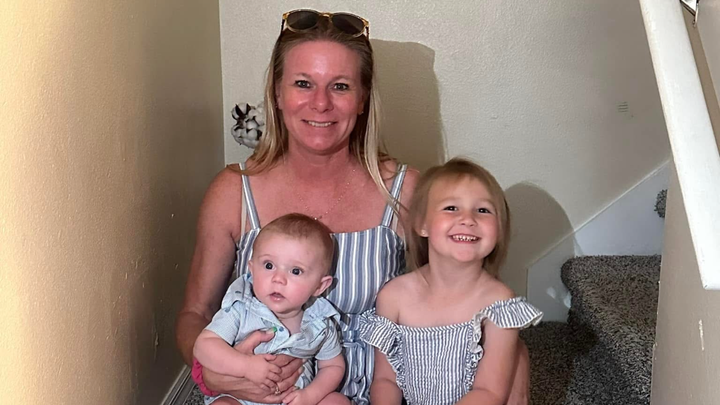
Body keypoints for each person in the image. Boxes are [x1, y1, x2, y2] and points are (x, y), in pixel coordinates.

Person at [175, 9, 530, 405]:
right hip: (265, 392)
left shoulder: (404, 190)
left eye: (340, 87)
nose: (320, 103)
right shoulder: (233, 192)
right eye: (303, 83)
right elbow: (196, 312)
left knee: (514, 356)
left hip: (380, 390)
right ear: (277, 93)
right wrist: (214, 375)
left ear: (362, 99)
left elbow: (469, 289)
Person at [360, 158, 542, 405]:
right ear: (422, 224)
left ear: (499, 230)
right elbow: (385, 380)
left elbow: (489, 392)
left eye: (483, 210)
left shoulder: (499, 303)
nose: (468, 219)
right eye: (451, 208)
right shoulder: (394, 296)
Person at [193, 214, 349, 405]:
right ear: (252, 270)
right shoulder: (241, 310)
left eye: (296, 271)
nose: (278, 279)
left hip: (294, 399)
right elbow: (204, 346)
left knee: (337, 401)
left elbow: (333, 366)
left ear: (319, 286)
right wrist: (245, 366)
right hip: (240, 400)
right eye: (269, 265)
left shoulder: (320, 324)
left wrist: (310, 395)